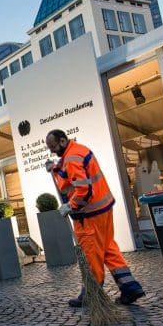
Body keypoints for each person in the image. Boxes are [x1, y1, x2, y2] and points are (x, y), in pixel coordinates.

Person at [45, 129, 145, 307]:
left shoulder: (72, 158)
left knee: (91, 254)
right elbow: (69, 177)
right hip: (103, 209)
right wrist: (54, 169)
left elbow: (83, 190)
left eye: (53, 147)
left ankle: (91, 293)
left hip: (89, 216)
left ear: (62, 141)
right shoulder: (77, 151)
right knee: (108, 248)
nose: (52, 151)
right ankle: (130, 287)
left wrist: (71, 206)